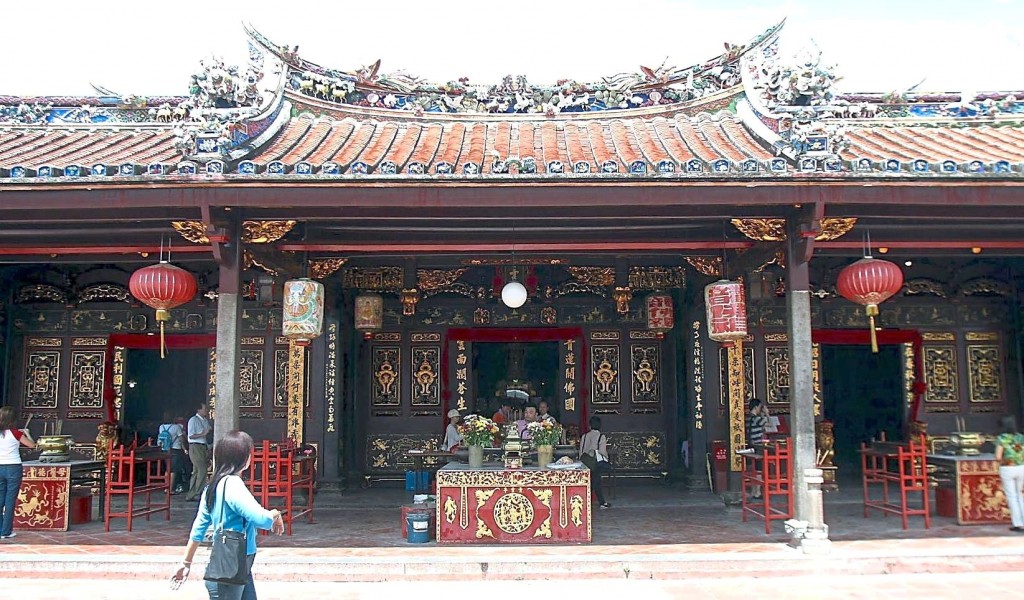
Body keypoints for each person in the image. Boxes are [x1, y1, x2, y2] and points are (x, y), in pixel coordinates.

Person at [170, 430, 285, 599]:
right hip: (231, 570)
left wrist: (186, 562)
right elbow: (260, 519)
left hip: (236, 567)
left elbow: (198, 529)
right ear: (243, 458)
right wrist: (275, 514)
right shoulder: (233, 484)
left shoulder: (213, 485)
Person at [0, 407, 36, 539]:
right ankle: (6, 531)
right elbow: (32, 445)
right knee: (10, 499)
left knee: (0, 498)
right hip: (13, 467)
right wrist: (27, 434)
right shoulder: (16, 433)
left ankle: (1, 529)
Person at [995, 416, 1024, 532]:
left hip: (1008, 468)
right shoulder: (1021, 437)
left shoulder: (1002, 438)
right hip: (1021, 467)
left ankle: (1018, 523)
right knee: (1020, 495)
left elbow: (998, 456)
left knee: (1012, 496)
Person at [578, 416, 611, 509]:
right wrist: (606, 458)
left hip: (585, 461)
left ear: (590, 426)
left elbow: (581, 451)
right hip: (595, 463)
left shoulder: (584, 436)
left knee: (592, 482)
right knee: (596, 481)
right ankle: (601, 503)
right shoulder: (601, 436)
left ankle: (587, 500)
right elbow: (602, 451)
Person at [185, 403, 213, 502]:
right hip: (195, 446)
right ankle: (197, 492)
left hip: (203, 446)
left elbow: (209, 431)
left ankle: (191, 494)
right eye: (204, 409)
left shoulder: (205, 420)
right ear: (198, 410)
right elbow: (191, 435)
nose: (206, 410)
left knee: (196, 471)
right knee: (202, 469)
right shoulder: (193, 420)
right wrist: (203, 434)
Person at [159, 412, 188, 495]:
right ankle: (171, 489)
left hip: (165, 449)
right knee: (173, 470)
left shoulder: (161, 427)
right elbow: (181, 439)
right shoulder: (176, 427)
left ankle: (166, 488)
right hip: (175, 449)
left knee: (167, 469)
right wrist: (184, 449)